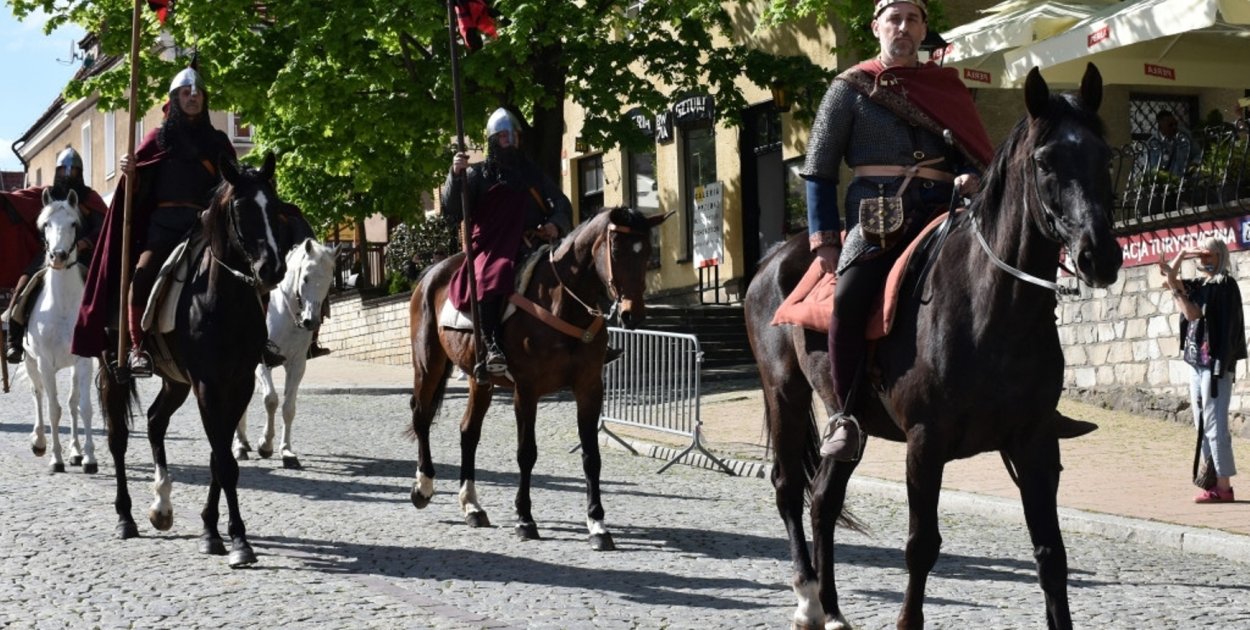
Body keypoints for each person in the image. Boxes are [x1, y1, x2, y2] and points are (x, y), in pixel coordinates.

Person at [800, 0, 994, 461]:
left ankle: (1024, 401)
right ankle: (845, 415)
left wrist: (972, 176)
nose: (903, 28)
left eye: (912, 20)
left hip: (945, 211)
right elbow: (819, 170)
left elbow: (971, 155)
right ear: (877, 27)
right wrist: (824, 241)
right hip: (878, 218)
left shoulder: (947, 88)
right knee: (849, 299)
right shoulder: (849, 87)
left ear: (924, 29)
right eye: (894, 19)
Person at [71, 62, 282, 375]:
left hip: (207, 225)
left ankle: (259, 340)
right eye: (185, 92)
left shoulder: (218, 142)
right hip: (165, 225)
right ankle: (138, 348)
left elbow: (233, 184)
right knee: (141, 277)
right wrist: (131, 173)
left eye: (197, 93)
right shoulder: (157, 140)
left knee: (250, 270)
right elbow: (139, 188)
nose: (192, 97)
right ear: (175, 98)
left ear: (204, 100)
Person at [441, 107, 572, 374]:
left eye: (514, 137)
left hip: (532, 243)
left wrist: (555, 224)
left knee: (574, 269)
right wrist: (455, 175)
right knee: (493, 273)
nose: (510, 142)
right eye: (503, 137)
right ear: (493, 140)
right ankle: (491, 345)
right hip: (493, 247)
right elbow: (452, 210)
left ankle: (589, 339)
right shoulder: (477, 175)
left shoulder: (533, 175)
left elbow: (561, 203)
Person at [1, 147, 108, 363]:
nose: (67, 175)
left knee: (105, 288)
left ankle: (110, 342)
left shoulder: (89, 198)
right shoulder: (45, 195)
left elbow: (104, 227)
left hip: (83, 255)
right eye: (62, 170)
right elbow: (16, 204)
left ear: (80, 173)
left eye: (72, 170)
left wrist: (85, 242)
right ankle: (14, 341)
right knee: (23, 286)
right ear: (56, 172)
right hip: (48, 255)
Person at [1159, 239, 1246, 503]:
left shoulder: (1224, 285)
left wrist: (1176, 291)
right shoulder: (1202, 284)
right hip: (1197, 362)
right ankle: (1211, 481)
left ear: (1221, 256)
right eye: (1203, 256)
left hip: (1215, 365)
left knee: (1215, 424)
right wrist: (1182, 253)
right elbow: (1168, 280)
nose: (1205, 260)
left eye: (1210, 255)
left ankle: (1224, 486)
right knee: (1202, 425)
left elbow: (1193, 314)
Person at [1142, 109, 1198, 180]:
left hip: (1187, 180)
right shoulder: (1152, 144)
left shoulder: (1185, 136)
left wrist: (1194, 165)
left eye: (1175, 124)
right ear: (1161, 126)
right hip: (1167, 183)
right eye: (1170, 125)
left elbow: (1198, 154)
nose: (1174, 127)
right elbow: (1152, 169)